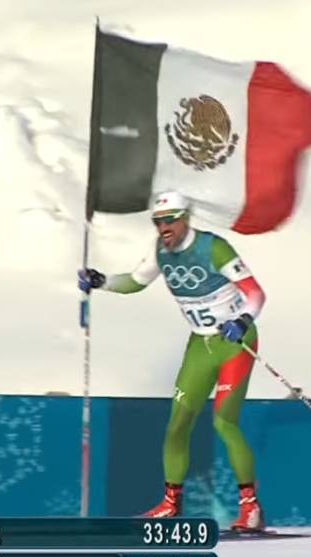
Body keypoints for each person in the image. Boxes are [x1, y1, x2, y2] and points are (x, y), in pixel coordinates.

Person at [78, 191, 266, 531]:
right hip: (200, 345)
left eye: (169, 221)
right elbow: (135, 282)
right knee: (178, 424)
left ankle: (250, 509)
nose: (163, 228)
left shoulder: (214, 248)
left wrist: (243, 320)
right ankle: (170, 504)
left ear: (185, 219)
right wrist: (102, 281)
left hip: (234, 343)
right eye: (158, 222)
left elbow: (255, 293)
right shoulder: (160, 252)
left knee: (224, 423)